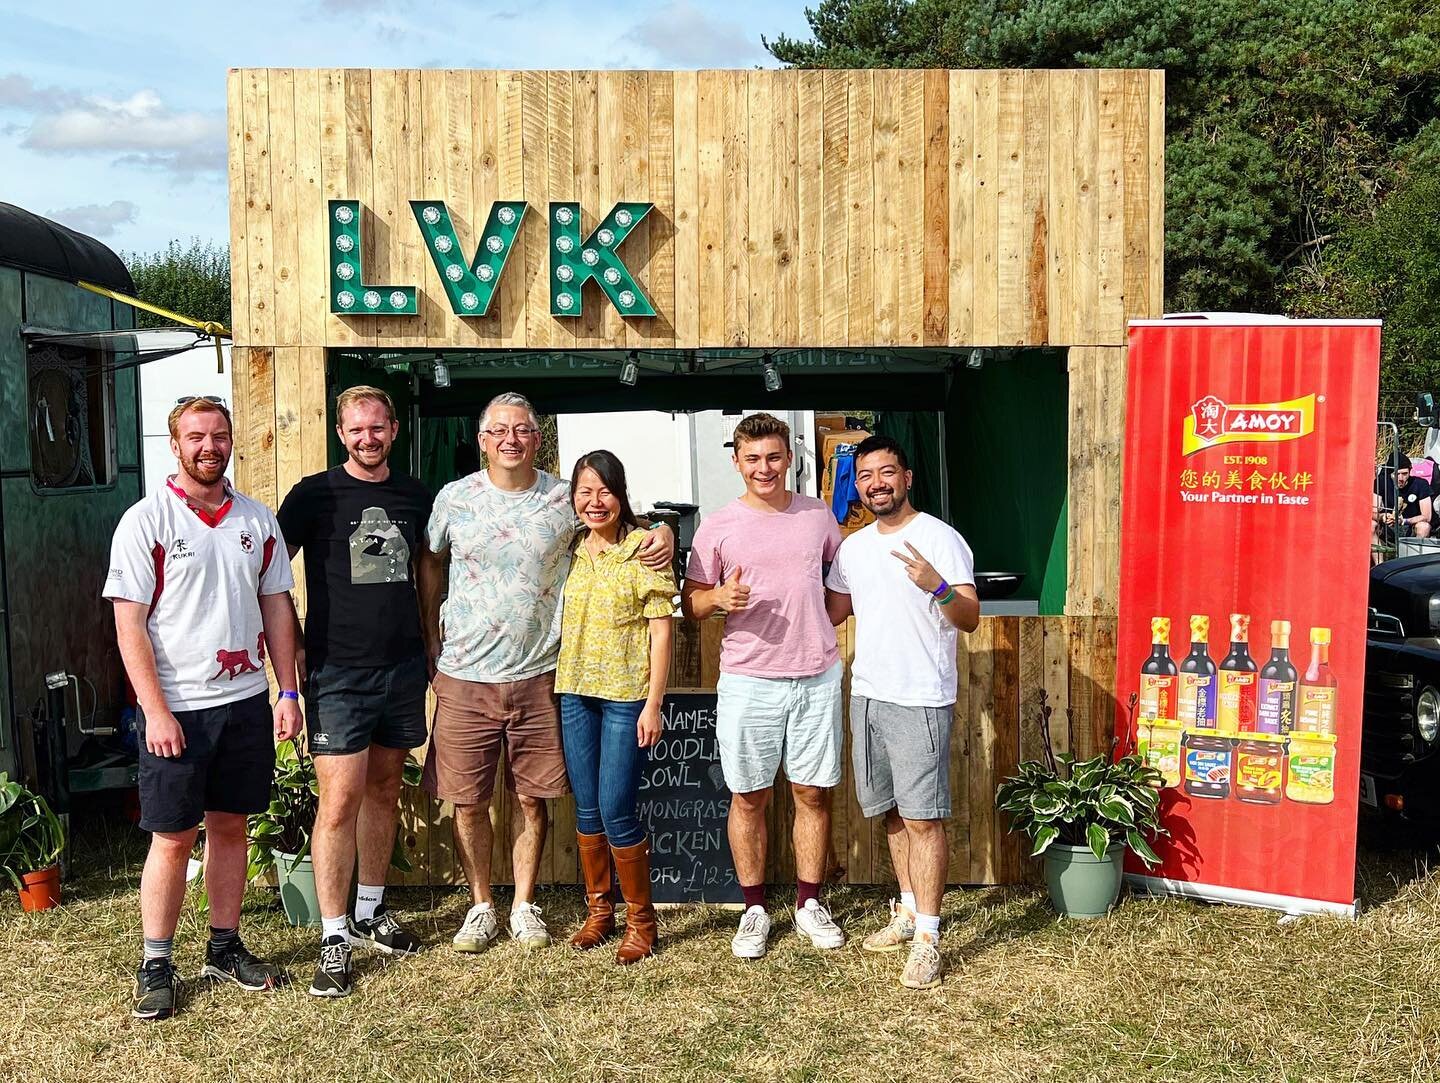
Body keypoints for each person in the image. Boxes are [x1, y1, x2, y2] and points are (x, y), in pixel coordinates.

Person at [418, 393, 673, 952]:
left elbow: (618, 515)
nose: (512, 439)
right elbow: (430, 562)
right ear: (482, 439)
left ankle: (525, 905)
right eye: (500, 430)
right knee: (468, 800)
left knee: (534, 798)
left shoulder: (563, 497)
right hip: (464, 673)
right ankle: (481, 906)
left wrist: (662, 530)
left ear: (539, 437)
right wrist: (431, 638)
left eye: (524, 430)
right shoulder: (454, 498)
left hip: (541, 675)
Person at [105, 396, 302, 1021]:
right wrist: (154, 710)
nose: (209, 446)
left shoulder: (257, 520)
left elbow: (276, 610)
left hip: (244, 704)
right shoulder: (146, 520)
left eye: (219, 435)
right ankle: (157, 960)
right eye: (196, 436)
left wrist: (288, 691)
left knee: (230, 828)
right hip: (178, 710)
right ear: (175, 444)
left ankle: (223, 945)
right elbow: (128, 624)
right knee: (172, 836)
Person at [276, 386, 433, 998]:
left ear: (393, 430)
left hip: (401, 668)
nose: (367, 438)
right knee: (338, 799)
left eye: (377, 428)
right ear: (341, 434)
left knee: (386, 788)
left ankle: (369, 912)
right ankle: (334, 934)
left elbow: (426, 575)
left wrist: (431, 645)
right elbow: (269, 577)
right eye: (355, 430)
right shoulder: (313, 496)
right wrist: (290, 655)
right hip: (337, 672)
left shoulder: (414, 497)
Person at [681, 412, 845, 960]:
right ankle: (754, 908)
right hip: (749, 679)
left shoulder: (819, 516)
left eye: (774, 457)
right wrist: (717, 601)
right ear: (736, 462)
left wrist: (819, 623)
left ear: (790, 459)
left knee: (812, 793)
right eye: (753, 459)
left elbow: (840, 586)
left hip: (816, 676)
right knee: (748, 796)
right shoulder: (718, 525)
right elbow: (692, 602)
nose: (764, 468)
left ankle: (808, 904)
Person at [824, 435, 979, 990]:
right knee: (890, 811)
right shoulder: (854, 548)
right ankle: (909, 907)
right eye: (866, 476)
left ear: (907, 478)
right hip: (868, 693)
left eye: (886, 473)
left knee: (923, 818)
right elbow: (833, 611)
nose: (876, 484)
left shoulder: (941, 538)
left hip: (920, 697)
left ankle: (930, 938)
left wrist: (935, 585)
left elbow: (969, 617)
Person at [554, 450, 675, 963]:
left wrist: (655, 703)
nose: (594, 501)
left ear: (621, 495)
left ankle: (640, 922)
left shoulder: (642, 550)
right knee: (586, 808)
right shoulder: (570, 550)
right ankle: (598, 912)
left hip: (627, 698)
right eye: (584, 491)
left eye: (604, 491)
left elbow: (662, 629)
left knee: (616, 807)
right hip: (575, 693)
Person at [1374, 453, 1432, 564]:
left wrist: (1404, 521)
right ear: (1390, 473)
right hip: (1387, 526)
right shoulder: (1381, 483)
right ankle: (1379, 565)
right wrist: (1382, 516)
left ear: (1410, 471)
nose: (1401, 478)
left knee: (1424, 526)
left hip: (1410, 526)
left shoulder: (1420, 484)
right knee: (1371, 525)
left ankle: (1415, 564)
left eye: (1405, 474)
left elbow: (1427, 516)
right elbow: (1372, 512)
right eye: (1397, 474)